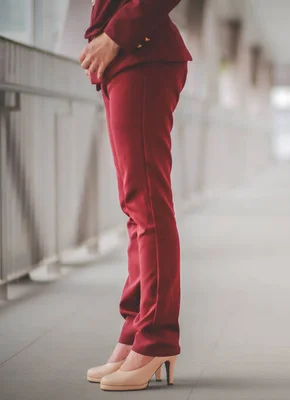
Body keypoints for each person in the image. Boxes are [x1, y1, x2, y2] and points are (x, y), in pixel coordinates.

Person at [79, 0, 191, 392]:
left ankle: (156, 339)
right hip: (126, 60)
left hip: (140, 54)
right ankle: (136, 332)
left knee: (147, 206)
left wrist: (115, 34)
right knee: (136, 208)